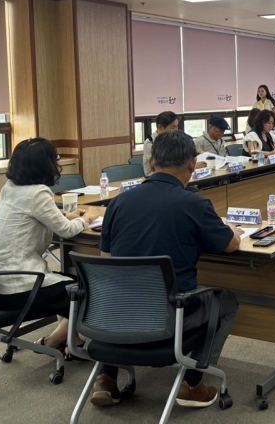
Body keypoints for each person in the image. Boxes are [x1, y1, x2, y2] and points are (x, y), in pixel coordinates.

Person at [92, 130, 241, 409]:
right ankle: (192, 383)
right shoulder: (194, 204)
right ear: (193, 163)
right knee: (227, 300)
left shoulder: (118, 203)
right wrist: (230, 227)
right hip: (168, 319)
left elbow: (106, 261)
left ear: (151, 162)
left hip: (115, 317)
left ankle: (105, 378)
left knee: (122, 291)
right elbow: (231, 245)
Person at [0, 138, 104, 355]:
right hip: (21, 286)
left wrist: (66, 215)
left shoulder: (9, 187)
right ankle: (51, 342)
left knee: (68, 283)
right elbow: (66, 230)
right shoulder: (38, 192)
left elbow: (32, 216)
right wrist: (87, 218)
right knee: (89, 292)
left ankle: (74, 340)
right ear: (46, 165)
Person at [143, 111, 178, 176]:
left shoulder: (173, 140)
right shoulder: (149, 143)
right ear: (160, 127)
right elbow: (164, 165)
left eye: (177, 126)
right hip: (154, 176)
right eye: (173, 127)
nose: (176, 130)